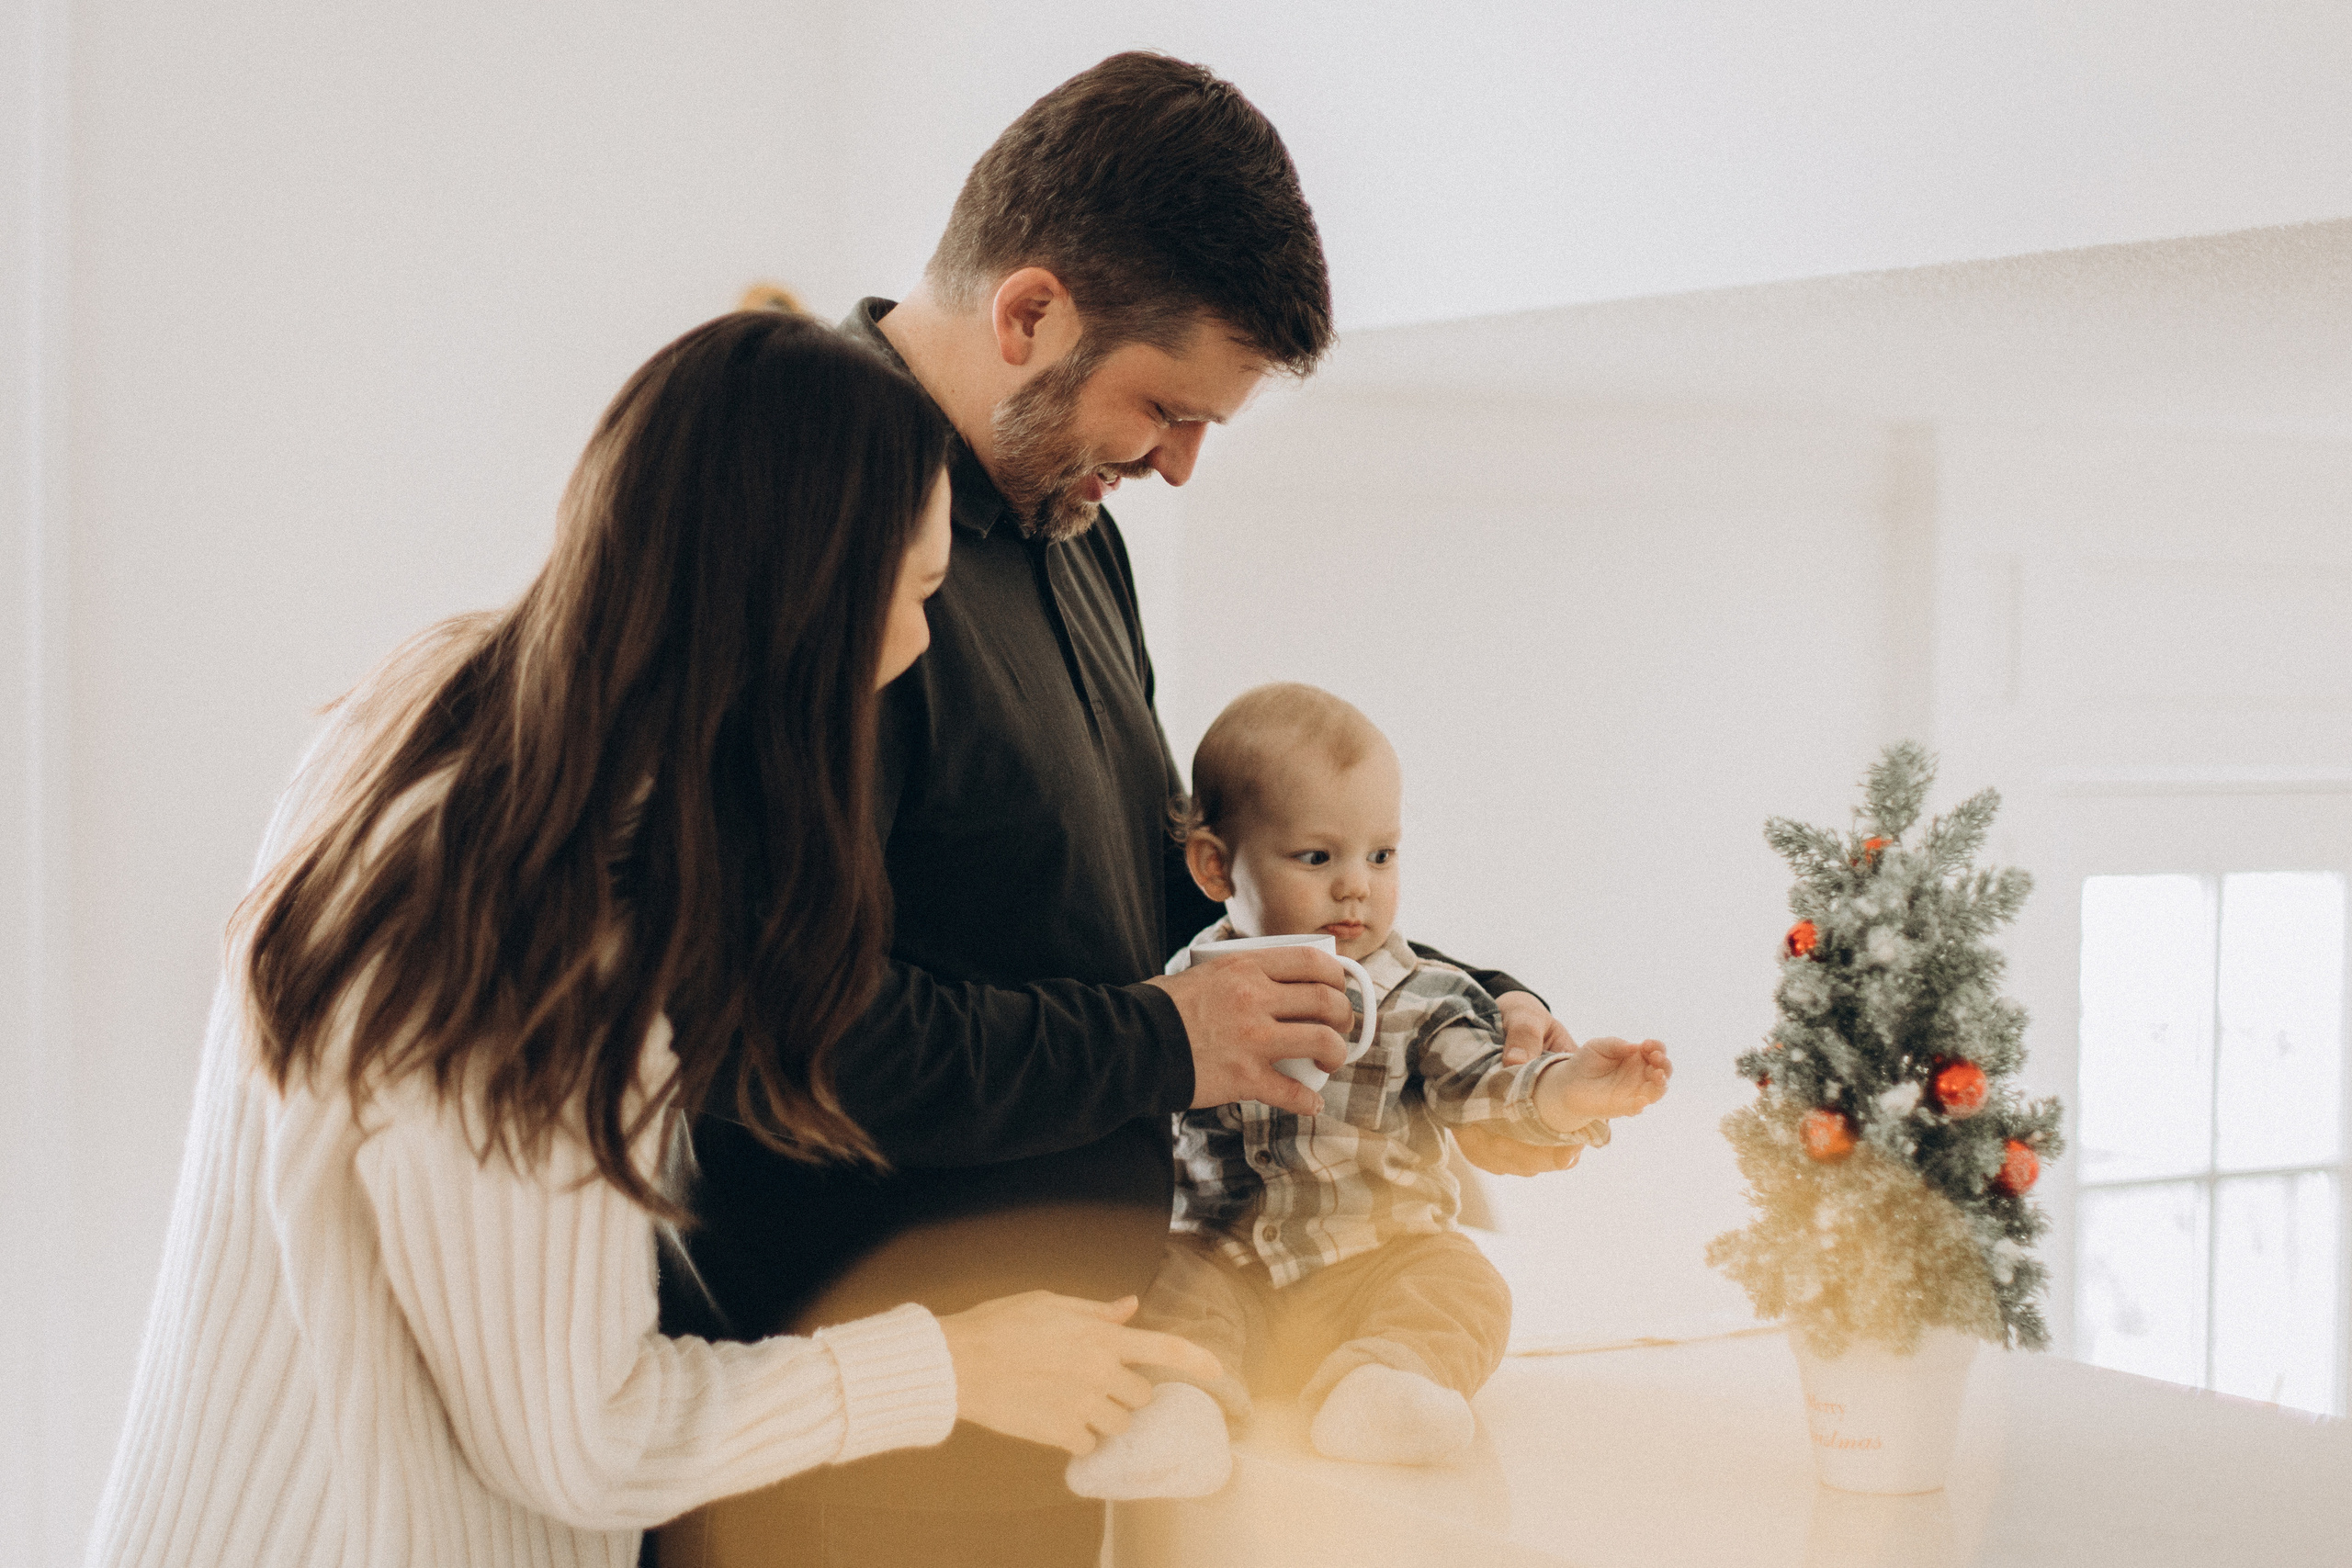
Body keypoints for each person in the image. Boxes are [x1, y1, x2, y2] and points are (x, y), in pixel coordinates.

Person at [84, 311, 1223, 1568]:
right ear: (802, 599)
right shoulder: (540, 909)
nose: (912, 649)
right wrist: (952, 1361)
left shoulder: (446, 703)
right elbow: (583, 1436)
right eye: (914, 594)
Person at [659, 54, 1591, 1568]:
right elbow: (789, 1039)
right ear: (1027, 313)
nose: (1179, 463)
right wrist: (1172, 1037)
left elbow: (1135, 900)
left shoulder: (1067, 527)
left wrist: (1462, 1025)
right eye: (1164, 406)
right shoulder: (814, 524)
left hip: (1081, 1424)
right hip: (850, 1473)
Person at [1064, 684, 1673, 1499]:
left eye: (1380, 855)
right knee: (1161, 1284)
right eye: (1318, 857)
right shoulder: (1176, 995)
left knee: (1463, 1284)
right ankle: (1182, 1410)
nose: (1357, 886)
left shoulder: (1425, 994)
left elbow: (1484, 1086)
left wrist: (1570, 1090)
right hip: (1228, 1258)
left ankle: (1386, 1387)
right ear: (1215, 866)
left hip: (1377, 1259)